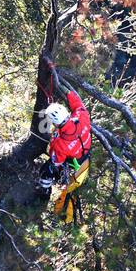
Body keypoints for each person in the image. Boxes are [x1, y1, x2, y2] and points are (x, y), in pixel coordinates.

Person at [38, 75, 93, 223]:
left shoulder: (61, 143)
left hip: (72, 163)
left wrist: (54, 139)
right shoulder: (82, 116)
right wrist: (65, 90)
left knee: (46, 171)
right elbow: (77, 103)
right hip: (85, 155)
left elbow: (55, 161)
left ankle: (44, 193)